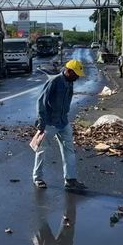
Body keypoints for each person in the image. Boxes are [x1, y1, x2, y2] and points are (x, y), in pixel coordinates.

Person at [33, 59, 86, 190]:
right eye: (76, 74)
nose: (78, 77)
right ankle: (37, 178)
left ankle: (70, 179)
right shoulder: (54, 81)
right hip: (50, 122)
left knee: (69, 150)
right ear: (68, 71)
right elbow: (41, 101)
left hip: (63, 121)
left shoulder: (70, 82)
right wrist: (41, 121)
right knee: (41, 150)